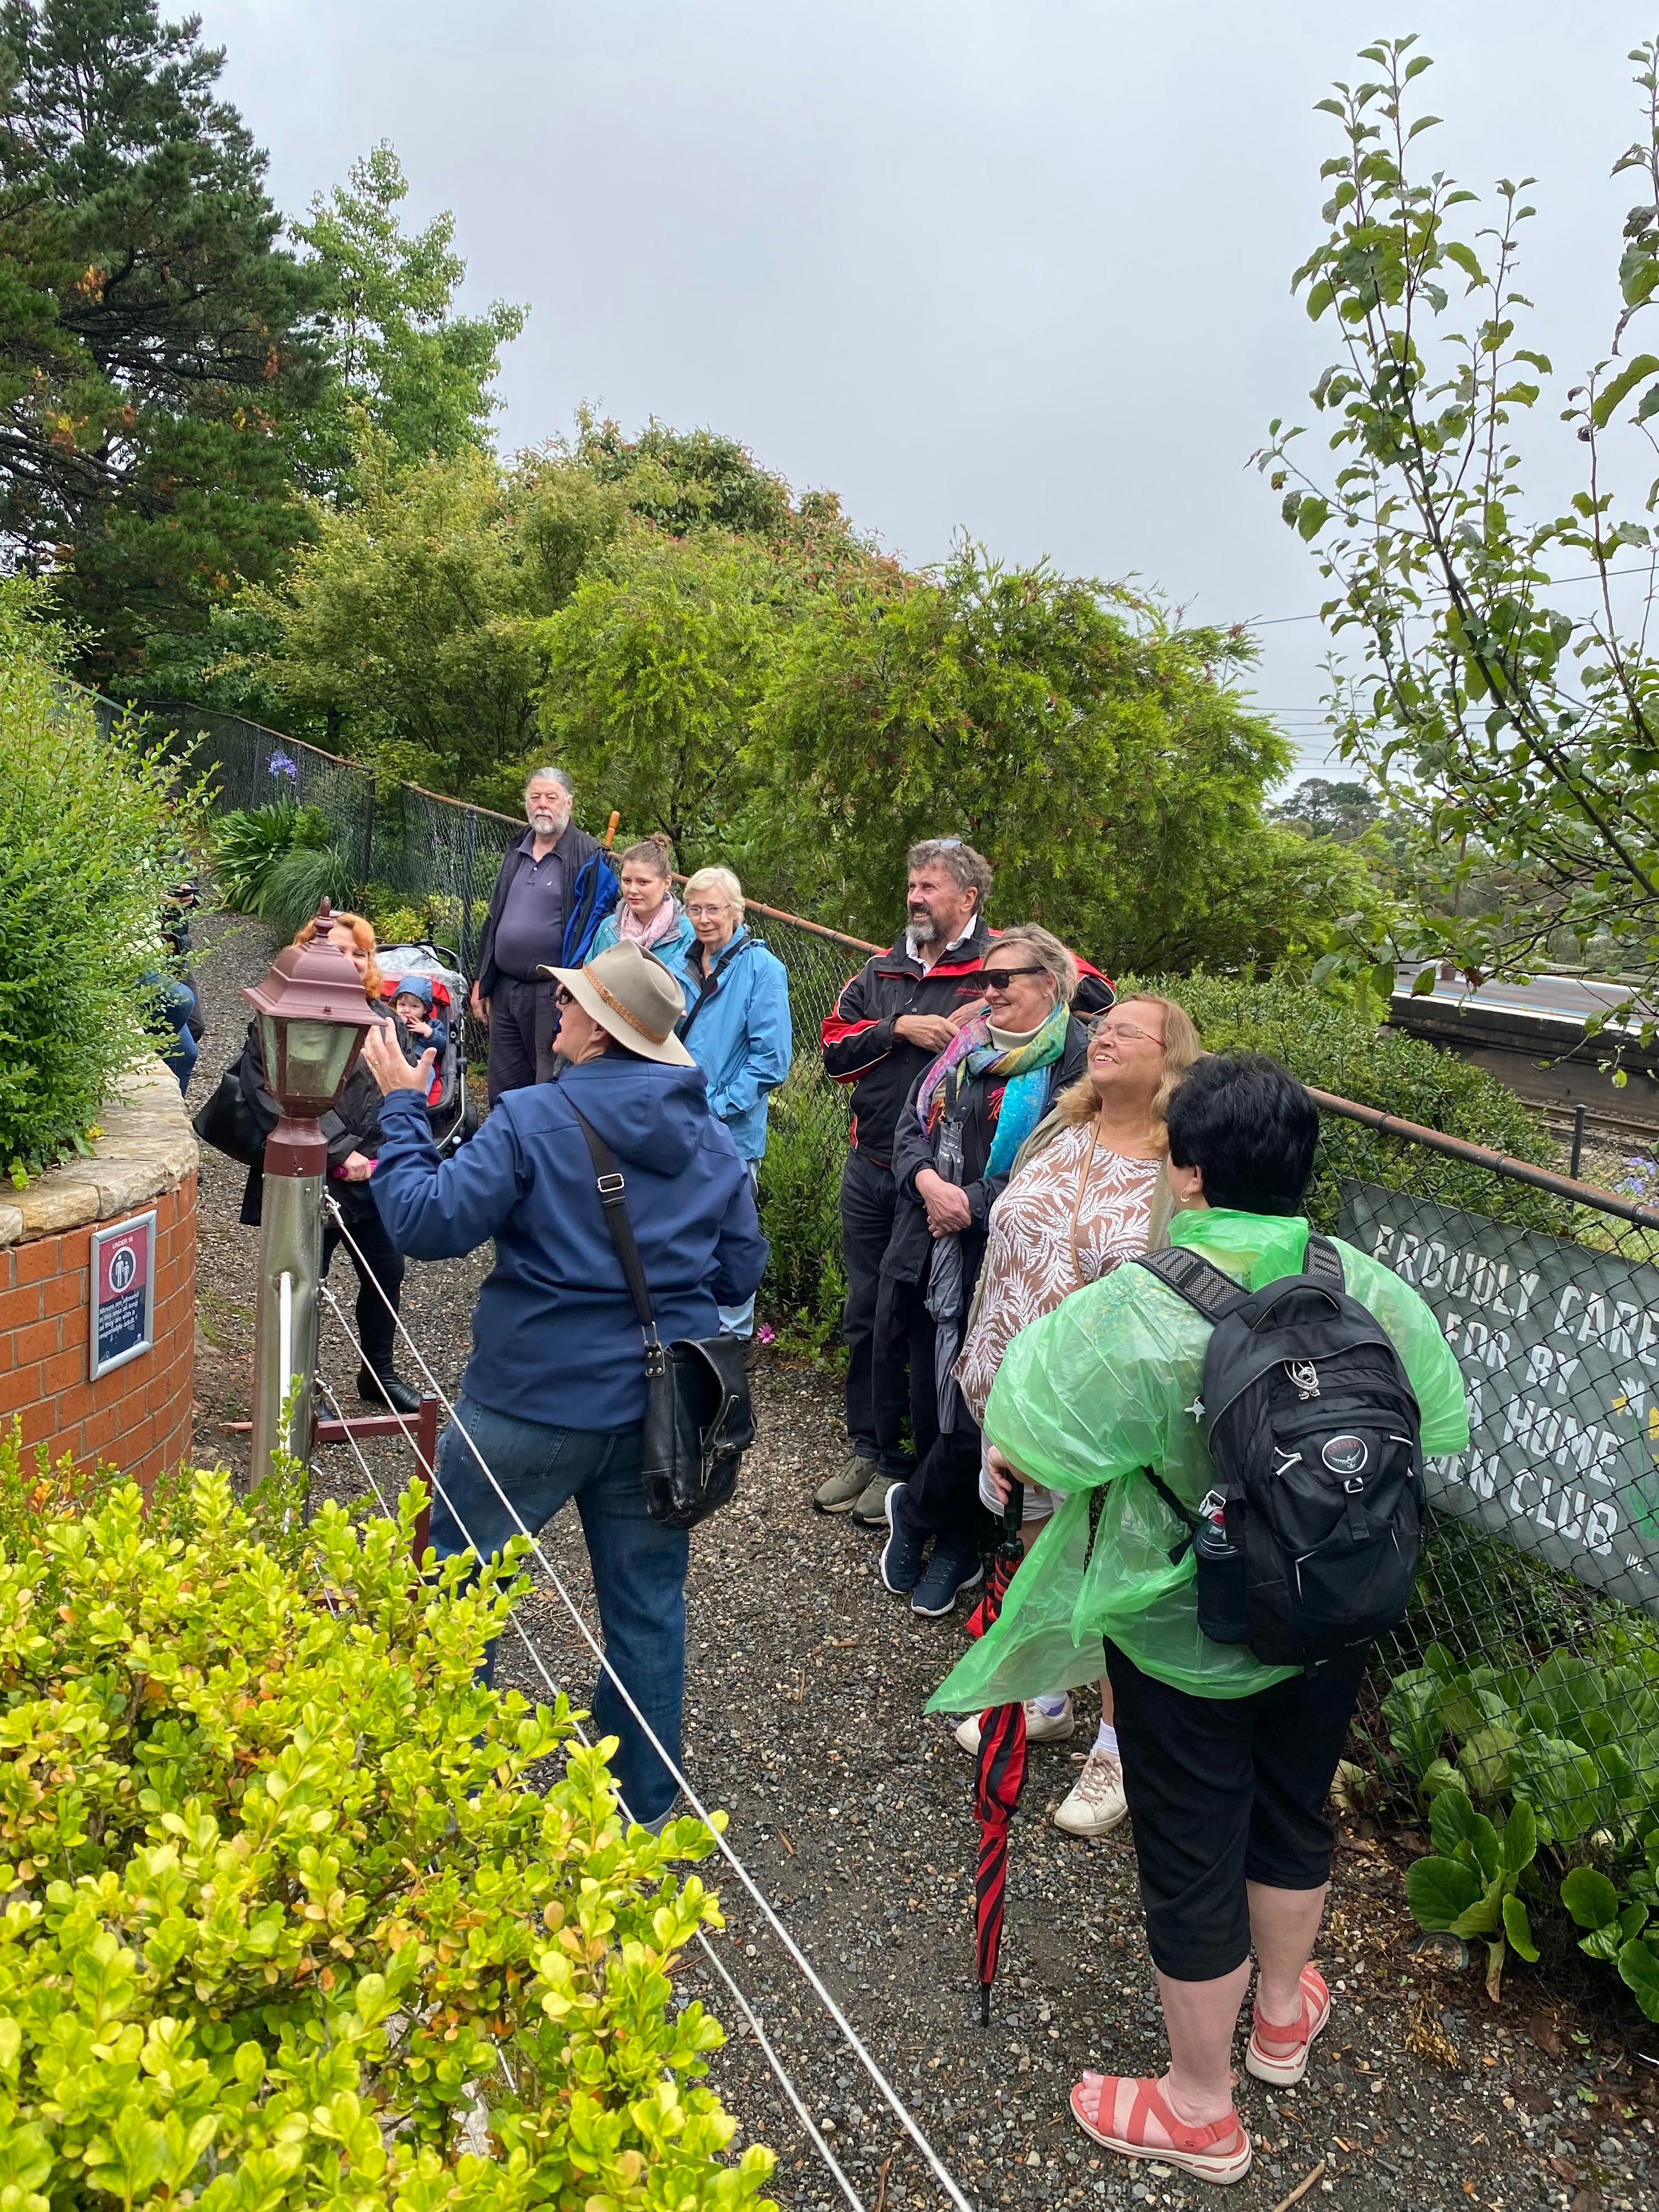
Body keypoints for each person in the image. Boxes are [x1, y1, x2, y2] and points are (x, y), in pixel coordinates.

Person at [928, 1056, 1469, 2186]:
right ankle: (1281, 2022)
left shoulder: (1142, 1297)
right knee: (1292, 1813)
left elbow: (1024, 1442)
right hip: (1334, 1610)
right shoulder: (1364, 1282)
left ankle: (1199, 2106)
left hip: (1187, 1630)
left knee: (1190, 1851)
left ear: (1188, 1167)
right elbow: (1443, 1428)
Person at [364, 940, 768, 1830]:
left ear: (604, 1029)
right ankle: (638, 1820)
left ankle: (447, 1795)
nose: (558, 1010)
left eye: (574, 1003)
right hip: (658, 1417)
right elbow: (739, 1274)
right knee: (647, 1613)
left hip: (527, 1400)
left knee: (460, 1598)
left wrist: (401, 1109)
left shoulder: (531, 1118)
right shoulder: (707, 1138)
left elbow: (426, 1222)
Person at [936, 994, 1204, 1837]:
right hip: (1016, 1382)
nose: (1106, 1037)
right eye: (1106, 1026)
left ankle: (1118, 1748)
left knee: (1109, 1566)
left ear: (1171, 1059)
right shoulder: (1059, 1131)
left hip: (1106, 1406)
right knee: (1036, 1540)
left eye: (1130, 1031)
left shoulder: (1182, 1169)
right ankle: (1047, 1694)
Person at [875, 926, 1090, 1614]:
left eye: (1003, 981)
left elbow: (1056, 1163)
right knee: (932, 1392)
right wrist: (930, 1188)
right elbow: (912, 1126)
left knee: (979, 1409)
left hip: (1007, 1259)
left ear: (1049, 984)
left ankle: (936, 1523)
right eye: (984, 981)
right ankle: (938, 1517)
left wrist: (969, 1202)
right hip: (931, 1240)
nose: (987, 993)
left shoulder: (1076, 1066)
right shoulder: (969, 1045)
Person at [817, 839, 993, 1522]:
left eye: (930, 887)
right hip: (871, 1167)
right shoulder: (880, 970)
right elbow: (833, 1052)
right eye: (912, 886)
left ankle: (911, 1467)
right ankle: (869, 1445)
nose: (915, 898)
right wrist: (897, 1028)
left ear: (968, 898)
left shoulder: (994, 967)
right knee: (865, 1312)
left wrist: (983, 1015)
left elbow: (1084, 993)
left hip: (939, 1182)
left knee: (922, 1322)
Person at [236, 910, 421, 1414]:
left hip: (373, 1178)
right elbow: (266, 1092)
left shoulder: (384, 1020)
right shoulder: (283, 1014)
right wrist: (341, 1153)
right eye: (339, 951)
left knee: (387, 1273)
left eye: (359, 953)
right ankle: (300, 1385)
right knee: (304, 1281)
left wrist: (376, 1156)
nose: (351, 961)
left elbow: (399, 1092)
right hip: (309, 1173)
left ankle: (378, 1374)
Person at [676, 866, 792, 1342]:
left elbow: (772, 1060)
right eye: (695, 909)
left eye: (714, 909)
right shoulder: (679, 963)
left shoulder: (764, 970)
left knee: (733, 1236)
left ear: (737, 911)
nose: (704, 919)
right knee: (680, 1229)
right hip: (676, 1122)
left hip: (729, 1131)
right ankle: (689, 1329)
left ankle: (733, 1340)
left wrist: (717, 1108)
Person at [470, 767, 619, 1102]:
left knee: (545, 1084)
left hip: (553, 993)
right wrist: (483, 978)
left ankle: (538, 1152)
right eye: (535, 797)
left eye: (551, 798)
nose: (543, 805)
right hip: (506, 989)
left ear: (568, 803)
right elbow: (494, 919)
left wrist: (578, 985)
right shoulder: (517, 848)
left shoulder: (588, 855)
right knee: (504, 1086)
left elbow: (596, 928)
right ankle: (501, 1151)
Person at [590, 832, 696, 1002]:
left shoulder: (686, 935)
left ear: (666, 883)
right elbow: (588, 980)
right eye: (627, 881)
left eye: (643, 882)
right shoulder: (608, 927)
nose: (633, 890)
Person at [391, 976, 450, 1064]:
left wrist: (430, 1033)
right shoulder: (391, 1022)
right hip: (396, 1061)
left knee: (429, 1071)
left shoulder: (433, 1025)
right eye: (402, 1004)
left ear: (425, 1010)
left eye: (414, 1006)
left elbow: (443, 1048)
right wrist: (399, 1026)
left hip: (421, 1063)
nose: (406, 1010)